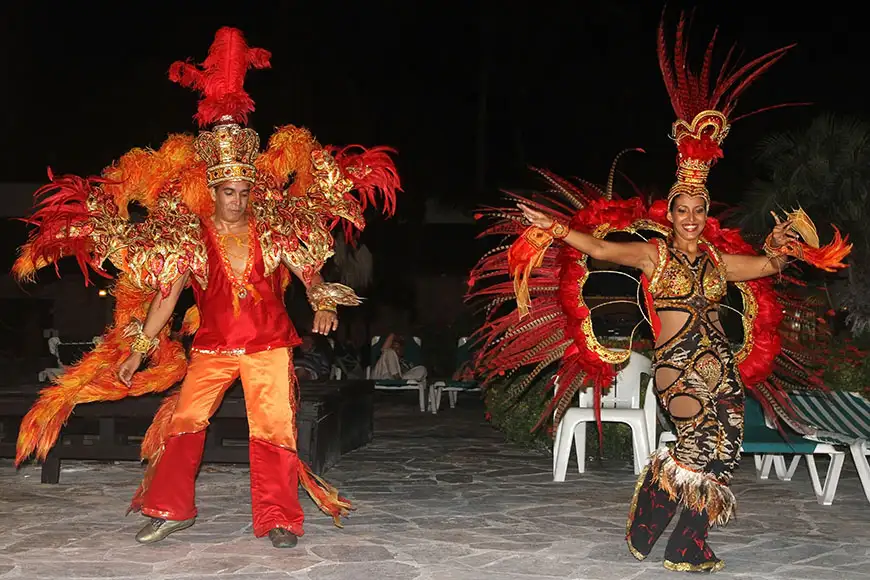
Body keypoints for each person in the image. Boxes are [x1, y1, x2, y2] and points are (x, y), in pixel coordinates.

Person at [467, 12, 850, 574]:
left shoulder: (720, 260)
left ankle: (682, 540)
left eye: (699, 210)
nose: (693, 217)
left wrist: (792, 244)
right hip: (677, 365)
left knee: (723, 453)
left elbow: (767, 263)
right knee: (698, 444)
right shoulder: (654, 254)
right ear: (669, 214)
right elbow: (599, 251)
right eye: (683, 210)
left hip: (721, 364)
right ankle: (655, 509)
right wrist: (555, 228)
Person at [13, 27, 400, 549]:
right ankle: (172, 508)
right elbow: (167, 296)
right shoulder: (189, 238)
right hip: (213, 347)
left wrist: (320, 299)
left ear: (251, 190)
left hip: (267, 345)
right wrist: (140, 350)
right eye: (229, 191)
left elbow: (308, 268)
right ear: (213, 191)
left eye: (245, 191)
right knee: (186, 423)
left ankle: (279, 518)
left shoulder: (275, 229)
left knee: (274, 430)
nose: (238, 200)